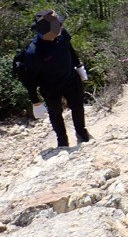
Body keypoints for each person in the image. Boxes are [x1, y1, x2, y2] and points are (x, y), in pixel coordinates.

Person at [19, 9, 91, 147]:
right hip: (50, 87)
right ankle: (62, 140)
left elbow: (70, 49)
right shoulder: (33, 53)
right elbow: (30, 79)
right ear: (46, 32)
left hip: (70, 78)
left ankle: (81, 133)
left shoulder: (61, 34)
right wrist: (36, 102)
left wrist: (79, 66)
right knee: (55, 112)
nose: (61, 27)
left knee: (77, 107)